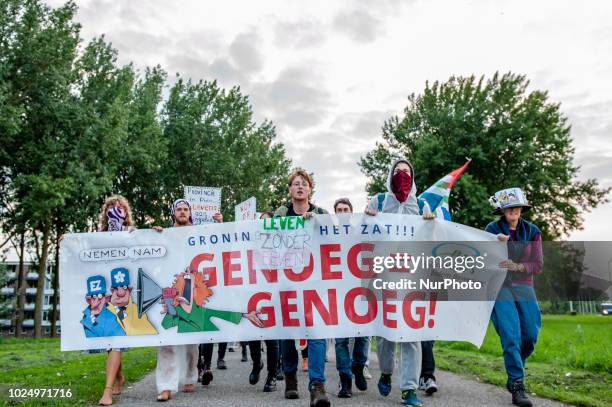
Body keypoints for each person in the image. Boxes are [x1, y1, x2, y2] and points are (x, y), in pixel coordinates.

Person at [365, 159, 434, 407]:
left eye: (406, 171)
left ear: (413, 177)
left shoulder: (422, 204)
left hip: (412, 276)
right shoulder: (379, 201)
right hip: (385, 276)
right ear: (390, 174)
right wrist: (368, 217)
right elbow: (362, 232)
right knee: (386, 334)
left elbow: (434, 237)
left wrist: (431, 221)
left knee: (411, 334)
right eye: (397, 171)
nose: (402, 174)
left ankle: (409, 389)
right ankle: (385, 370)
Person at [275, 169, 330, 407]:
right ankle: (289, 377)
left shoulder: (322, 214)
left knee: (317, 333)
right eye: (295, 184)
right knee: (288, 334)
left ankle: (317, 386)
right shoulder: (280, 215)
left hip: (315, 285)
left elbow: (337, 238)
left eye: (304, 184)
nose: (300, 187)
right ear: (290, 189)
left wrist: (316, 224)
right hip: (287, 284)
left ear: (310, 189)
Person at [486, 188, 543, 407]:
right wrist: (496, 244)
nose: (514, 210)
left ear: (522, 208)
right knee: (510, 335)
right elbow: (483, 257)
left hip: (524, 286)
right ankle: (517, 384)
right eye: (509, 206)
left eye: (517, 206)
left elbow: (537, 265)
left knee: (529, 336)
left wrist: (518, 266)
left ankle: (515, 366)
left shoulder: (533, 231)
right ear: (502, 209)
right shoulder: (492, 229)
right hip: (500, 287)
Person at [154, 199, 201, 402]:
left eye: (185, 209)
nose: (182, 212)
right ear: (174, 213)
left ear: (189, 213)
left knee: (190, 339)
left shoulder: (200, 233)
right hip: (169, 285)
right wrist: (154, 235)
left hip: (191, 285)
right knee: (167, 337)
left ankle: (190, 377)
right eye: (179, 209)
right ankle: (166, 386)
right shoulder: (163, 234)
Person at [94, 195, 135, 406]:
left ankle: (107, 391)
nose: (114, 211)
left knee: (115, 340)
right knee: (111, 340)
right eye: (110, 207)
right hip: (103, 292)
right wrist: (66, 241)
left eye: (118, 208)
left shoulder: (132, 233)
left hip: (122, 292)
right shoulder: (97, 236)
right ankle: (118, 377)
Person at [332, 198, 370, 398]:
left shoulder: (360, 232)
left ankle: (358, 366)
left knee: (363, 336)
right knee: (341, 340)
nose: (343, 212)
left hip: (360, 292)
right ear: (335, 213)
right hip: (338, 294)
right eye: (339, 209)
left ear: (352, 212)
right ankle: (345, 379)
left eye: (346, 209)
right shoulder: (328, 235)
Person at [244, 211, 281, 392]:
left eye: (269, 222)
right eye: (262, 222)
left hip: (273, 296)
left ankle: (272, 375)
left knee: (272, 339)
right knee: (253, 336)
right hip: (253, 295)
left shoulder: (280, 245)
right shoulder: (250, 245)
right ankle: (257, 363)